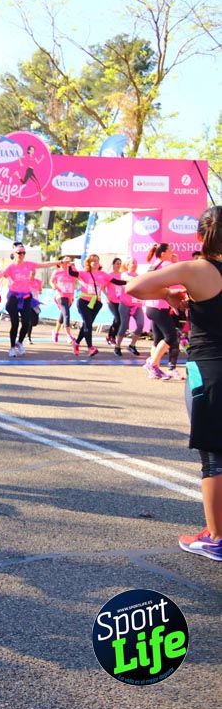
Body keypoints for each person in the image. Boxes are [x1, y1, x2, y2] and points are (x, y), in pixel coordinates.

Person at [128, 206, 222, 562]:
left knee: (214, 456)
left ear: (200, 237)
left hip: (211, 369)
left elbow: (137, 286)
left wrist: (169, 294)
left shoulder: (198, 270)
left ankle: (216, 537)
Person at [0, 246, 58, 357]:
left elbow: (44, 265)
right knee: (15, 324)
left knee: (26, 322)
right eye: (19, 252)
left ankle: (19, 343)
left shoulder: (28, 265)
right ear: (14, 254)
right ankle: (11, 348)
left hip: (26, 297)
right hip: (14, 298)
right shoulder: (10, 267)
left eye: (23, 253)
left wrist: (59, 262)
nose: (21, 254)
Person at [69, 254, 125, 358]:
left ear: (99, 263)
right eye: (92, 261)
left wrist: (131, 281)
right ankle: (90, 348)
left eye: (96, 260)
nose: (95, 262)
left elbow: (117, 281)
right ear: (89, 263)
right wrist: (68, 264)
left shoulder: (103, 274)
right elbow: (72, 273)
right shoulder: (84, 273)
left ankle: (76, 343)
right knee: (88, 323)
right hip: (84, 301)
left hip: (96, 303)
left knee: (87, 324)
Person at [143, 243, 181, 379]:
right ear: (163, 253)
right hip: (158, 307)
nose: (173, 252)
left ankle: (154, 368)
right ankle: (152, 364)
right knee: (171, 337)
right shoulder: (165, 265)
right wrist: (175, 263)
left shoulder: (154, 265)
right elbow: (180, 276)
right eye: (171, 250)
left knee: (158, 339)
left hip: (151, 306)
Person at [118, 257, 145, 356]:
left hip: (136, 305)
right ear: (127, 265)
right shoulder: (124, 275)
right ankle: (117, 346)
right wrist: (139, 280)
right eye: (132, 263)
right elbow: (128, 279)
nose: (134, 264)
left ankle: (132, 345)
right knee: (124, 326)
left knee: (141, 324)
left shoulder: (139, 276)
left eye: (136, 263)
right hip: (125, 304)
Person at [49, 255, 77, 343]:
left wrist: (72, 267)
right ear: (60, 262)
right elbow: (51, 281)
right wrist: (54, 286)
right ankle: (69, 336)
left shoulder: (72, 270)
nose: (68, 261)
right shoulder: (57, 272)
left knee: (62, 315)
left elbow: (77, 277)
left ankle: (55, 332)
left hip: (70, 295)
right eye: (66, 260)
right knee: (67, 314)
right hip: (60, 295)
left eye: (69, 260)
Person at [104, 257, 126, 352]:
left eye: (120, 263)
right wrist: (106, 296)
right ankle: (112, 337)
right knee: (117, 318)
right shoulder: (109, 275)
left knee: (118, 320)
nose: (118, 265)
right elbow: (102, 287)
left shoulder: (122, 275)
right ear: (113, 264)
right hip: (111, 300)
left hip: (120, 300)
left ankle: (110, 336)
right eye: (117, 263)